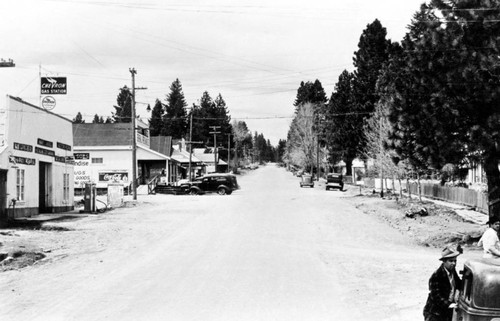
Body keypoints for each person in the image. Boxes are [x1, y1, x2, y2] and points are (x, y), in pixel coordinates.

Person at [423, 245, 462, 321]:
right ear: (444, 261)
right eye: (451, 261)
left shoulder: (453, 271)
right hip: (435, 313)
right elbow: (436, 296)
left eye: (455, 261)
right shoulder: (437, 276)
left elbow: (458, 284)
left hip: (446, 311)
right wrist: (449, 304)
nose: (454, 263)